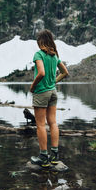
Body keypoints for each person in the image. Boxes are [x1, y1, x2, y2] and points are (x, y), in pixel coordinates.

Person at [30, 29, 69, 168]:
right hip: (53, 92)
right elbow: (65, 72)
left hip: (41, 92)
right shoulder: (54, 56)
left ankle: (43, 157)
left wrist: (33, 86)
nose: (38, 45)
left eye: (38, 42)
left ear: (41, 42)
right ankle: (55, 155)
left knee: (40, 124)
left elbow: (41, 73)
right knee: (53, 123)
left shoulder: (39, 54)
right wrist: (53, 82)